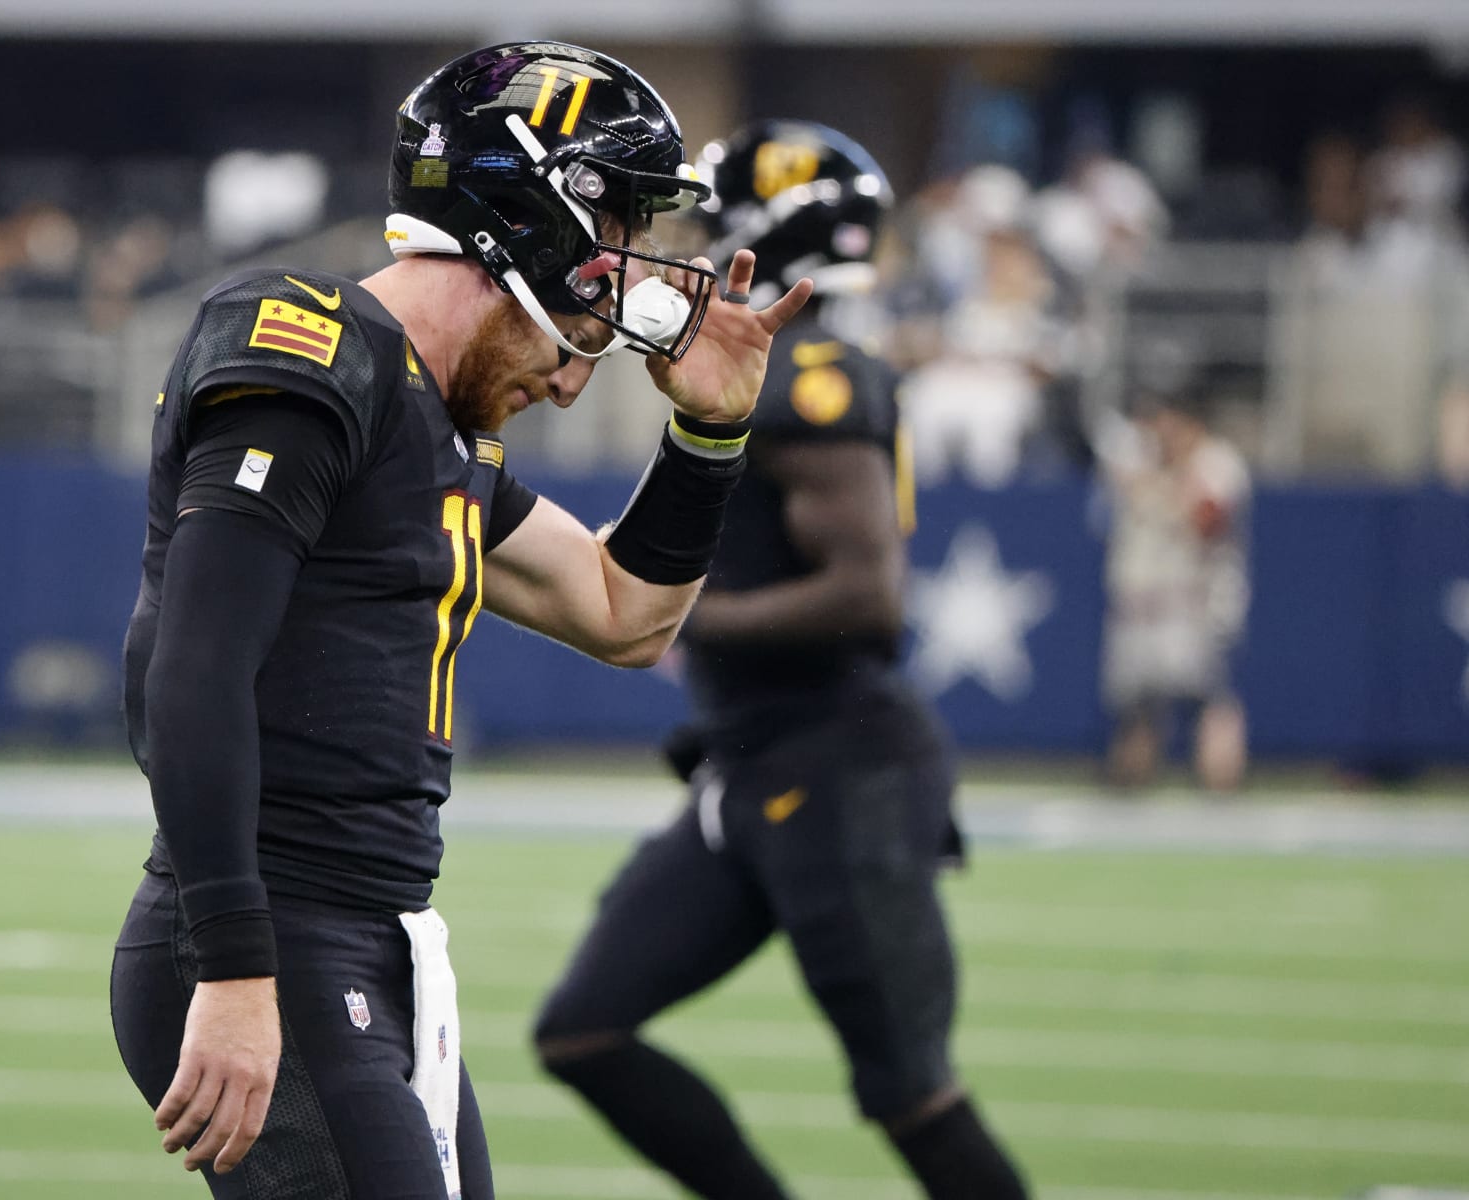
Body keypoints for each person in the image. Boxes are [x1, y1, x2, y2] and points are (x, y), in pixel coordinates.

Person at [108, 42, 812, 1200]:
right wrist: (233, 968)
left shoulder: (438, 426)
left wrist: (709, 438)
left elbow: (625, 614)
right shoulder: (311, 351)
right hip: (268, 933)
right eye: (613, 237)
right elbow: (187, 668)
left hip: (373, 939)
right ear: (526, 225)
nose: (576, 375)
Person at [533, 121, 1030, 1200]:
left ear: (772, 231)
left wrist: (682, 617)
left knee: (911, 1095)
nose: (693, 243)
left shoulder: (810, 372)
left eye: (711, 221)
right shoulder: (788, 365)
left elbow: (868, 597)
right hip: (751, 763)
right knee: (581, 1029)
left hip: (841, 766)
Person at [1100, 374, 1251, 792]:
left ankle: (1221, 784)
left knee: (1210, 696)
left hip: (1197, 601)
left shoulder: (1218, 463)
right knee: (1137, 703)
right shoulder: (1137, 456)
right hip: (1140, 601)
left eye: (1167, 419)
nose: (1160, 430)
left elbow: (1208, 522)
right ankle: (1133, 784)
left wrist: (1166, 482)